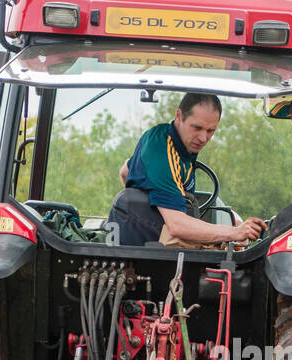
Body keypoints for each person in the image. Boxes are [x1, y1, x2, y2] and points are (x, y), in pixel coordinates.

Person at [106, 92, 266, 247]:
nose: (203, 138)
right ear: (179, 116)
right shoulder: (162, 151)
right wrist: (235, 232)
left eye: (211, 131)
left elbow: (125, 171)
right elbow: (177, 225)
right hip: (142, 252)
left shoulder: (180, 143)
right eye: (197, 127)